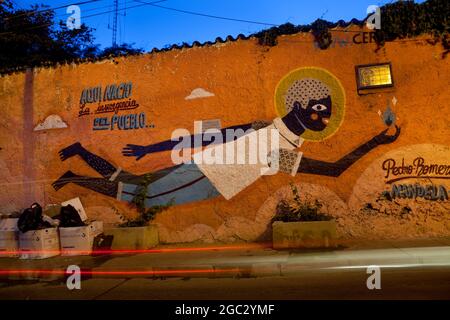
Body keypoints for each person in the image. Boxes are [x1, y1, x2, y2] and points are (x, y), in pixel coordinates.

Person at [53, 78, 400, 207]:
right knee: (135, 194)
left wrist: (374, 142)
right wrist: (152, 148)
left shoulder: (281, 151)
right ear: (297, 106)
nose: (320, 119)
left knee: (131, 185)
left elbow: (336, 170)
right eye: (317, 110)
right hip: (205, 176)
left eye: (325, 116)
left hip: (208, 182)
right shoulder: (269, 135)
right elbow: (209, 137)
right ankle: (72, 174)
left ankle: (78, 158)